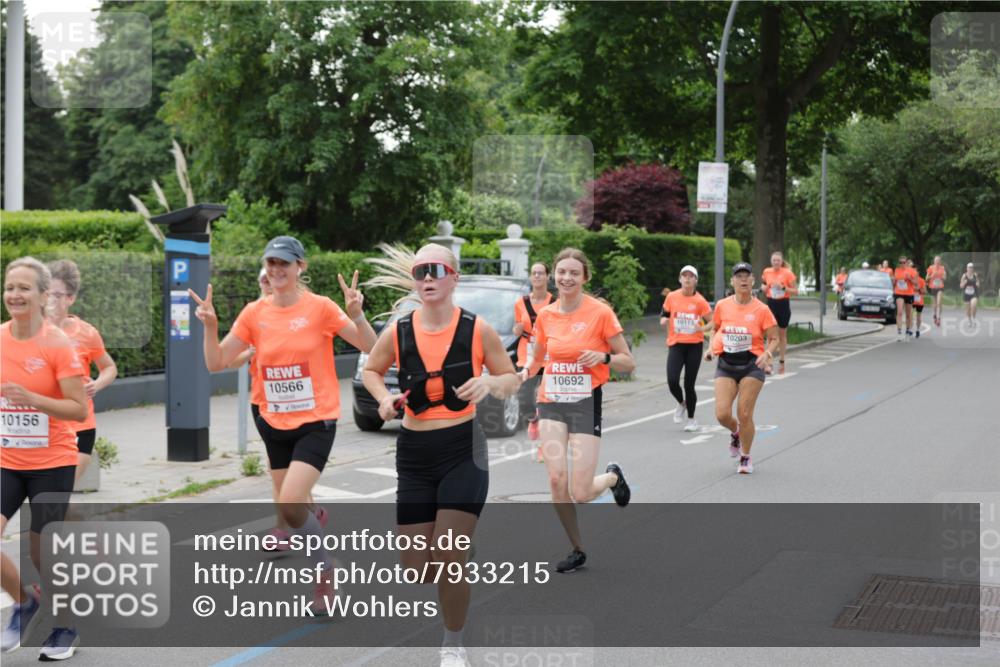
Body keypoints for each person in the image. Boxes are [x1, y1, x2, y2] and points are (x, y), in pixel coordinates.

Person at [190, 236, 377, 608]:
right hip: (273, 422)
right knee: (292, 511)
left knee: (291, 502)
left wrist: (357, 314)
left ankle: (323, 572)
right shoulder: (254, 313)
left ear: (300, 267)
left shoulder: (321, 308)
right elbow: (215, 362)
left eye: (284, 263)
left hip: (316, 420)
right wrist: (210, 326)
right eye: (271, 263)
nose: (276, 270)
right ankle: (325, 568)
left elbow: (370, 346)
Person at [362, 243, 520, 667]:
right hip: (414, 454)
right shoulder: (399, 331)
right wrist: (383, 399)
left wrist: (489, 383)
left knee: (448, 557)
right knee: (417, 570)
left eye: (435, 270)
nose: (427, 278)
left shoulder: (477, 329)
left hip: (463, 450)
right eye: (420, 272)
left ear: (454, 278)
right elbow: (371, 370)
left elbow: (510, 378)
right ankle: (461, 550)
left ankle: (453, 644)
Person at [518, 247, 635, 574]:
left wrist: (604, 357)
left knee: (580, 492)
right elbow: (537, 358)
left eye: (573, 272)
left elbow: (628, 361)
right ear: (553, 276)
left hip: (585, 402)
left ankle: (612, 477)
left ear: (585, 277)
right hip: (551, 401)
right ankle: (577, 548)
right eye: (561, 272)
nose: (566, 277)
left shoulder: (600, 313)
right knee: (557, 478)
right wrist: (522, 373)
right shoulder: (546, 315)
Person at [2, 258, 88, 659]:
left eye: (24, 288)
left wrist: (33, 399)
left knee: (44, 553)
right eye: (9, 287)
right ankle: (25, 602)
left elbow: (77, 408)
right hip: (7, 460)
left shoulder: (57, 344)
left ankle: (66, 626)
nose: (14, 295)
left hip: (52, 462)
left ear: (41, 296)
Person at [225, 269, 327, 552]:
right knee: (279, 469)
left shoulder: (305, 311)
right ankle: (304, 516)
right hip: (264, 403)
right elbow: (231, 361)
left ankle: (288, 525)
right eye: (263, 280)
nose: (268, 284)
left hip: (300, 404)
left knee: (291, 468)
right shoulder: (253, 316)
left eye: (272, 279)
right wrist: (250, 352)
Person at [45, 260, 118, 487]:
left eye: (57, 295)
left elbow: (109, 367)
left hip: (79, 425)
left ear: (71, 298)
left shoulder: (86, 333)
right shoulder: (28, 331)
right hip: (42, 426)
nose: (50, 300)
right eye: (46, 293)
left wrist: (97, 384)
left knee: (59, 490)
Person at [705, 263, 779, 475]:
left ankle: (745, 457)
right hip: (726, 364)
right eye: (739, 276)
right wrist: (710, 348)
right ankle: (736, 432)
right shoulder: (722, 305)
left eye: (747, 276)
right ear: (732, 281)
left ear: (753, 280)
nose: (743, 280)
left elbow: (774, 338)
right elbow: (716, 329)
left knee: (744, 413)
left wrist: (767, 354)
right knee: (722, 414)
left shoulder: (762, 309)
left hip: (752, 365)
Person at [660, 265, 713, 432]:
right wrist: (663, 319)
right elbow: (665, 313)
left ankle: (691, 419)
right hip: (676, 344)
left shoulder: (700, 301)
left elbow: (713, 322)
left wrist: (702, 329)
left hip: (694, 346)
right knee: (672, 381)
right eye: (685, 275)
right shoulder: (672, 297)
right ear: (680, 279)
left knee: (689, 384)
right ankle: (682, 403)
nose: (687, 278)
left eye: (691, 276)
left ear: (696, 280)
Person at [512, 262, 553, 461]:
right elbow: (516, 329)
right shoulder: (521, 303)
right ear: (530, 277)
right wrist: (518, 329)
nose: (537, 276)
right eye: (534, 273)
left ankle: (543, 446)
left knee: (547, 401)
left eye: (541, 273)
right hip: (526, 355)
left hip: (548, 356)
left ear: (547, 277)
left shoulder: (555, 302)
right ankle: (533, 418)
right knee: (525, 399)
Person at [760, 251, 797, 374]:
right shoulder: (767, 272)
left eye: (778, 260)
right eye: (774, 260)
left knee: (782, 335)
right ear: (771, 261)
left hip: (783, 305)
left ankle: (782, 361)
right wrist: (764, 288)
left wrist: (783, 288)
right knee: (770, 335)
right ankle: (769, 363)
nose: (776, 262)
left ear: (781, 262)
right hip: (771, 304)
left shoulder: (788, 273)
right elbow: (763, 285)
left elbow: (795, 291)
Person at [892, 255, 919, 341]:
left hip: (908, 293)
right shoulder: (897, 270)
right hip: (899, 293)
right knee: (899, 311)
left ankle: (907, 330)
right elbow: (894, 283)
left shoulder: (912, 271)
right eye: (900, 262)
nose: (902, 264)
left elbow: (916, 283)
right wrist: (893, 281)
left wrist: (909, 278)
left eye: (903, 262)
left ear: (906, 262)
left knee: (908, 314)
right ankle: (899, 332)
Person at [925, 256, 947, 327]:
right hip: (933, 287)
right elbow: (926, 278)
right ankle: (934, 315)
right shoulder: (931, 268)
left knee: (939, 303)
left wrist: (941, 276)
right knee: (935, 304)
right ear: (934, 261)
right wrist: (932, 276)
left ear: (940, 262)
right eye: (936, 260)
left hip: (940, 287)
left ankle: (938, 318)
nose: (937, 262)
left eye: (938, 261)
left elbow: (945, 278)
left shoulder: (942, 268)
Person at [959, 262, 980, 328]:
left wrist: (977, 284)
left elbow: (978, 283)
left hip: (974, 293)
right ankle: (969, 320)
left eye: (971, 267)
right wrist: (964, 283)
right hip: (966, 294)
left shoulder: (975, 275)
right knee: (968, 309)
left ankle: (973, 319)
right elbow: (961, 286)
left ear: (973, 269)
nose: (970, 269)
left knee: (973, 305)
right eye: (969, 267)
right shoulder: (964, 276)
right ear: (967, 268)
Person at [908, 260, 926, 337]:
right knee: (911, 314)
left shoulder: (922, 281)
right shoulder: (910, 280)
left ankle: (918, 330)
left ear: (918, 272)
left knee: (918, 316)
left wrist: (919, 289)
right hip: (912, 300)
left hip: (919, 301)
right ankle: (910, 329)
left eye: (915, 272)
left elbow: (924, 291)